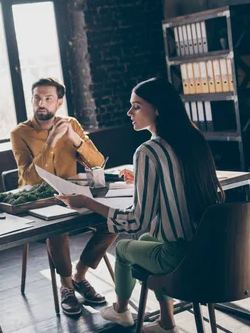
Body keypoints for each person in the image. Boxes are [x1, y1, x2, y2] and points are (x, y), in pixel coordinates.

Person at [58, 78, 223, 333]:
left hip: (178, 258)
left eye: (136, 106)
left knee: (123, 247)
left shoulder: (147, 151)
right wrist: (144, 180)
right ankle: (166, 322)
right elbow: (181, 181)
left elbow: (136, 220)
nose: (129, 112)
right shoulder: (193, 140)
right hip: (207, 250)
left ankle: (122, 311)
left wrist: (87, 202)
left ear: (156, 109)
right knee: (149, 237)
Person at [10, 77, 118, 315]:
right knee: (57, 225)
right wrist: (50, 143)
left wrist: (74, 138)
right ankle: (66, 285)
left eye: (48, 98)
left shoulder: (71, 124)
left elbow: (98, 162)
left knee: (113, 220)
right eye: (37, 97)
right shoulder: (19, 133)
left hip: (74, 195)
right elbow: (30, 179)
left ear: (59, 102)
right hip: (40, 200)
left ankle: (80, 274)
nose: (41, 103)